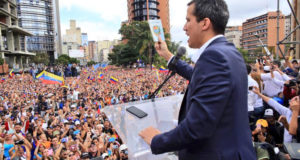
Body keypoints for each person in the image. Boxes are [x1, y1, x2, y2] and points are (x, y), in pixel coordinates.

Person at [139, 0, 256, 159]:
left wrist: (156, 140)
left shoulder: (214, 57)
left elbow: (197, 127)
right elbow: (199, 77)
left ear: (205, 23)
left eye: (188, 20)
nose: (184, 27)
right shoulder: (228, 52)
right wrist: (167, 55)